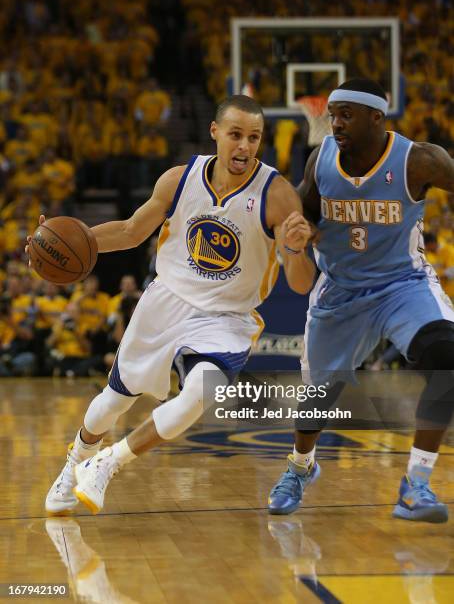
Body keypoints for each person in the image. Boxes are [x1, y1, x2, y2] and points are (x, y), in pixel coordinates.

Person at [28, 95, 316, 515]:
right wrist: (59, 240)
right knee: (113, 401)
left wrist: (296, 249)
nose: (244, 146)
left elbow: (300, 282)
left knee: (203, 391)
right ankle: (72, 465)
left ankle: (109, 462)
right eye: (235, 135)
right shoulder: (180, 179)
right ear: (215, 132)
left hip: (226, 317)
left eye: (254, 138)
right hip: (166, 301)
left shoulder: (278, 196)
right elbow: (130, 231)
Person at [268, 78, 454, 523]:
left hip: (401, 286)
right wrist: (299, 233)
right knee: (316, 404)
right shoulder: (321, 159)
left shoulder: (419, 160)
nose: (335, 123)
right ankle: (299, 466)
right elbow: (307, 216)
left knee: (448, 357)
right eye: (332, 114)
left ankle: (416, 484)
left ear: (376, 117)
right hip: (340, 291)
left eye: (346, 115)